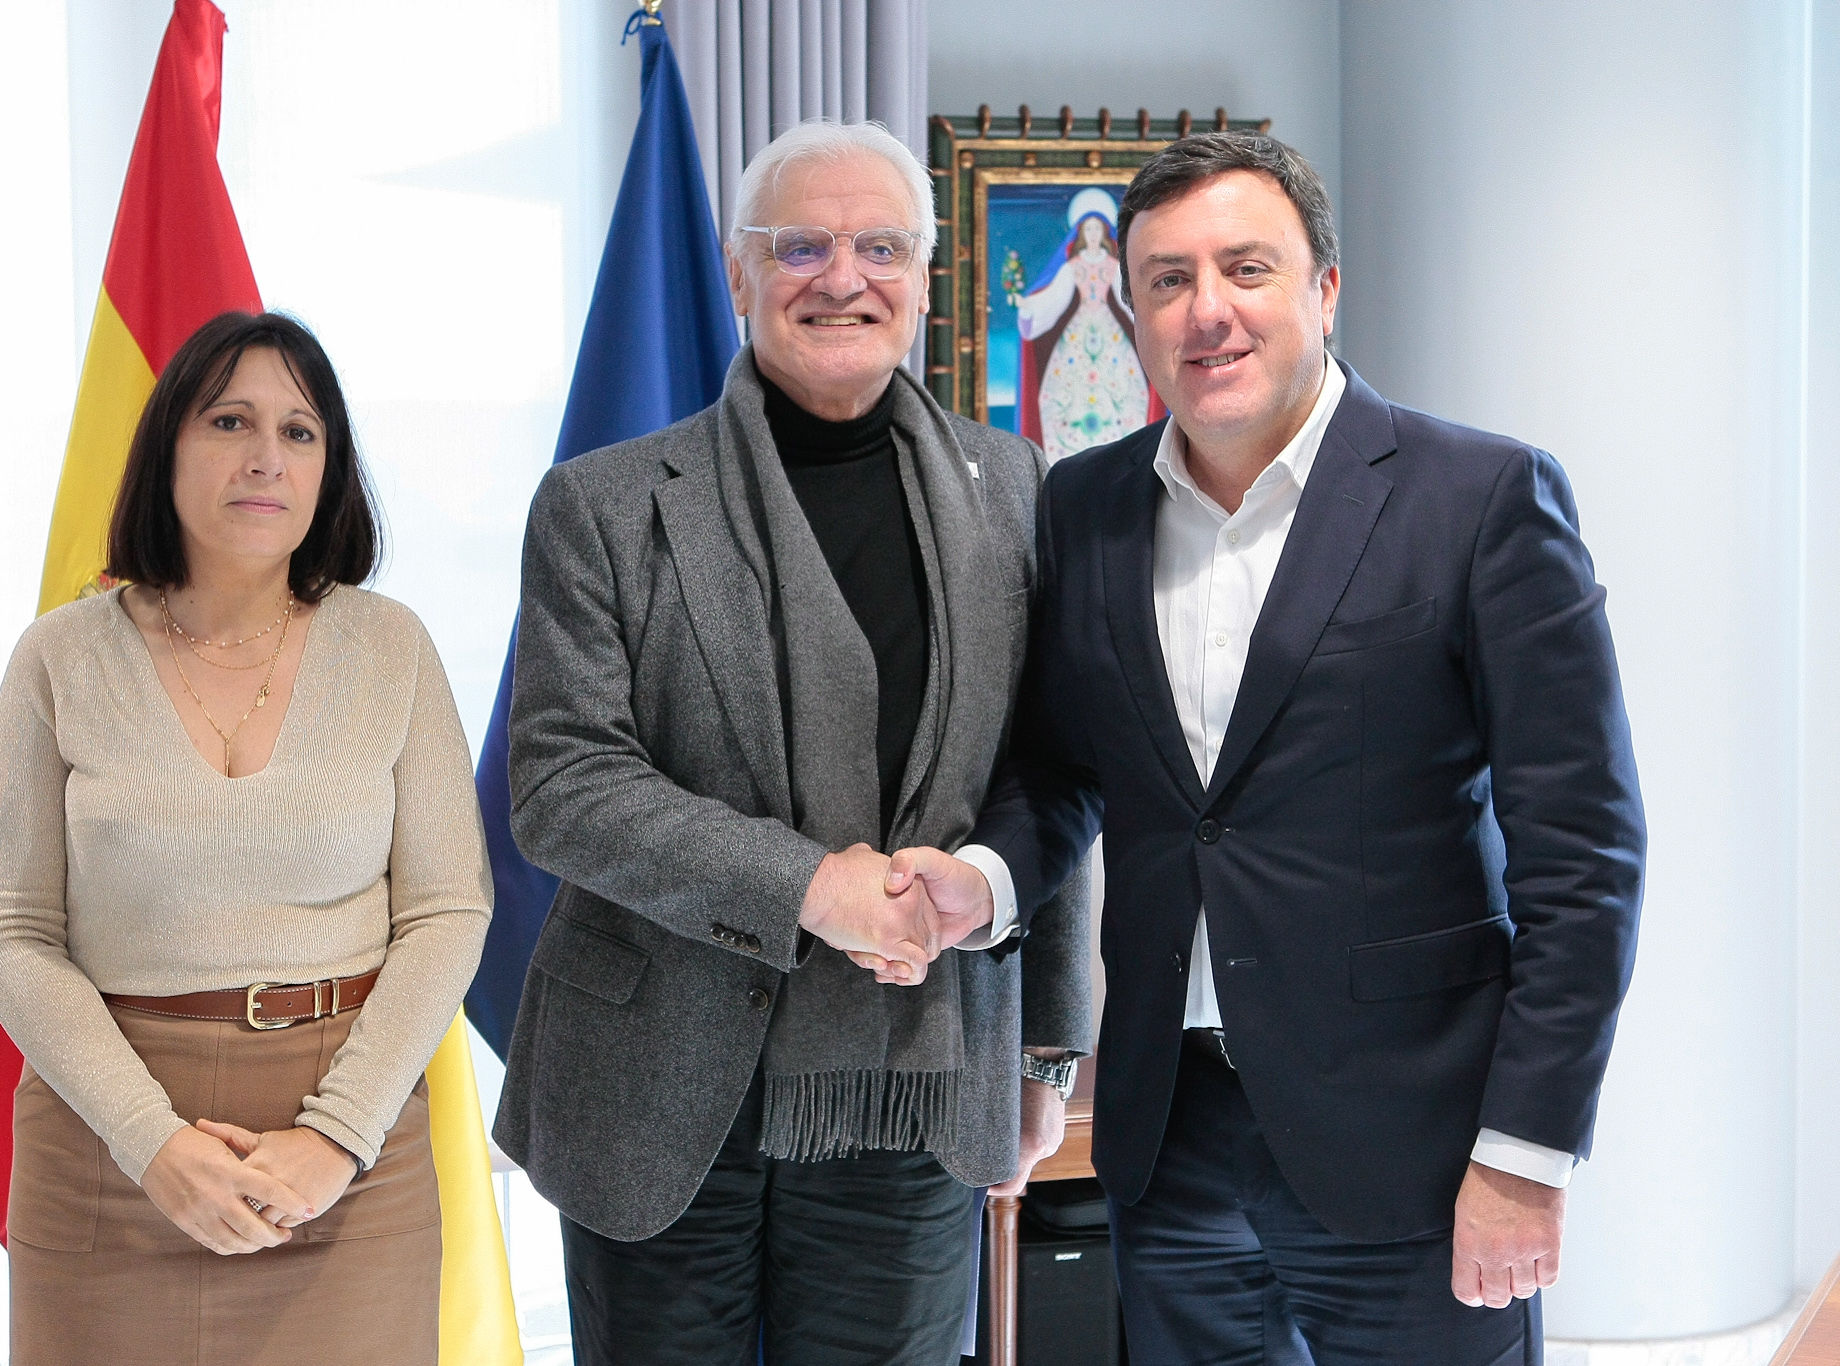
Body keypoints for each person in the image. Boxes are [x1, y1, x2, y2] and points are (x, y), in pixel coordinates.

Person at [886, 132, 1646, 1364]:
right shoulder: (1083, 506)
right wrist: (981, 879)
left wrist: (1524, 1154)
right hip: (1167, 1136)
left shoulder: (1481, 497)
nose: (1207, 310)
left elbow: (1585, 858)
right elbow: (1064, 768)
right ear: (1132, 312)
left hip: (1412, 1146)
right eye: (1168, 279)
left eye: (1245, 267)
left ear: (1323, 288)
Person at [491, 119, 1093, 1366]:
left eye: (879, 247)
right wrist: (808, 887)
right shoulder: (602, 505)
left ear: (921, 275)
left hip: (919, 1072)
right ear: (738, 273)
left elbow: (1054, 768)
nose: (841, 277)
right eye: (800, 246)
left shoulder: (1016, 489)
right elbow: (563, 785)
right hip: (653, 1080)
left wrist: (1048, 1051)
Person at [0, 311, 493, 1364]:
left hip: (346, 1158)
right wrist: (150, 1140)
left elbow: (448, 910)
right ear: (166, 444)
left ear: (330, 469)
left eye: (300, 431)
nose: (266, 457)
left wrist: (336, 1136)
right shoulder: (59, 657)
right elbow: (11, 928)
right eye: (229, 421)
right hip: (110, 1148)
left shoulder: (390, 646)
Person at [1015, 189, 1155, 462]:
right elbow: (1054, 298)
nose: (1092, 235)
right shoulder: (1073, 267)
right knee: (1064, 399)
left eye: (1097, 229)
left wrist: (1151, 315)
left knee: (1124, 397)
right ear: (1080, 233)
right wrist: (1030, 305)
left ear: (1104, 233)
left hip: (1110, 340)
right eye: (1088, 229)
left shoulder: (1114, 267)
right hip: (1076, 340)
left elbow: (1129, 302)